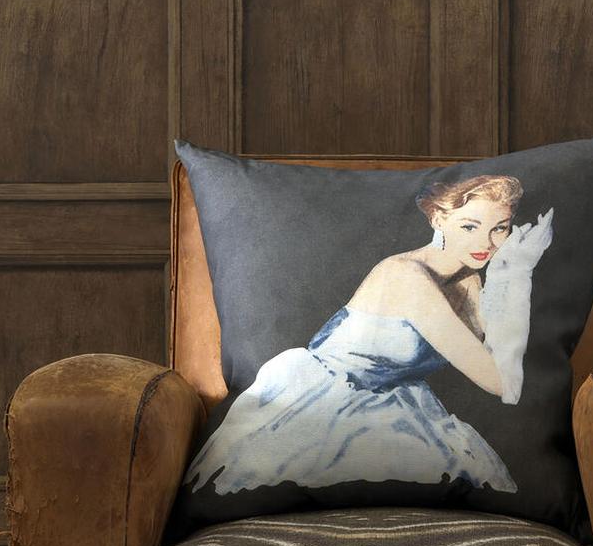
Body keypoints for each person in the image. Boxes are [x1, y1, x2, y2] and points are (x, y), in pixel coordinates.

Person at [182, 174, 555, 498]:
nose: (486, 243)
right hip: (321, 402)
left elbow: (507, 376)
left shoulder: (469, 282)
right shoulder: (406, 277)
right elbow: (500, 381)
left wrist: (512, 273)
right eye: (470, 227)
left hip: (392, 402)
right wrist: (516, 272)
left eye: (499, 228)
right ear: (439, 219)